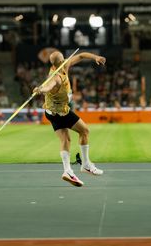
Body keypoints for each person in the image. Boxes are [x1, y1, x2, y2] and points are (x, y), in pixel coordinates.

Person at [33, 50, 106, 187]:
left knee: (65, 139)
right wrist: (41, 89)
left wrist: (95, 57)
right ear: (60, 62)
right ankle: (85, 164)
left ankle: (67, 171)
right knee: (84, 131)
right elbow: (49, 86)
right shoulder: (56, 76)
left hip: (49, 112)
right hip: (62, 113)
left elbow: (81, 56)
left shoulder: (63, 66)